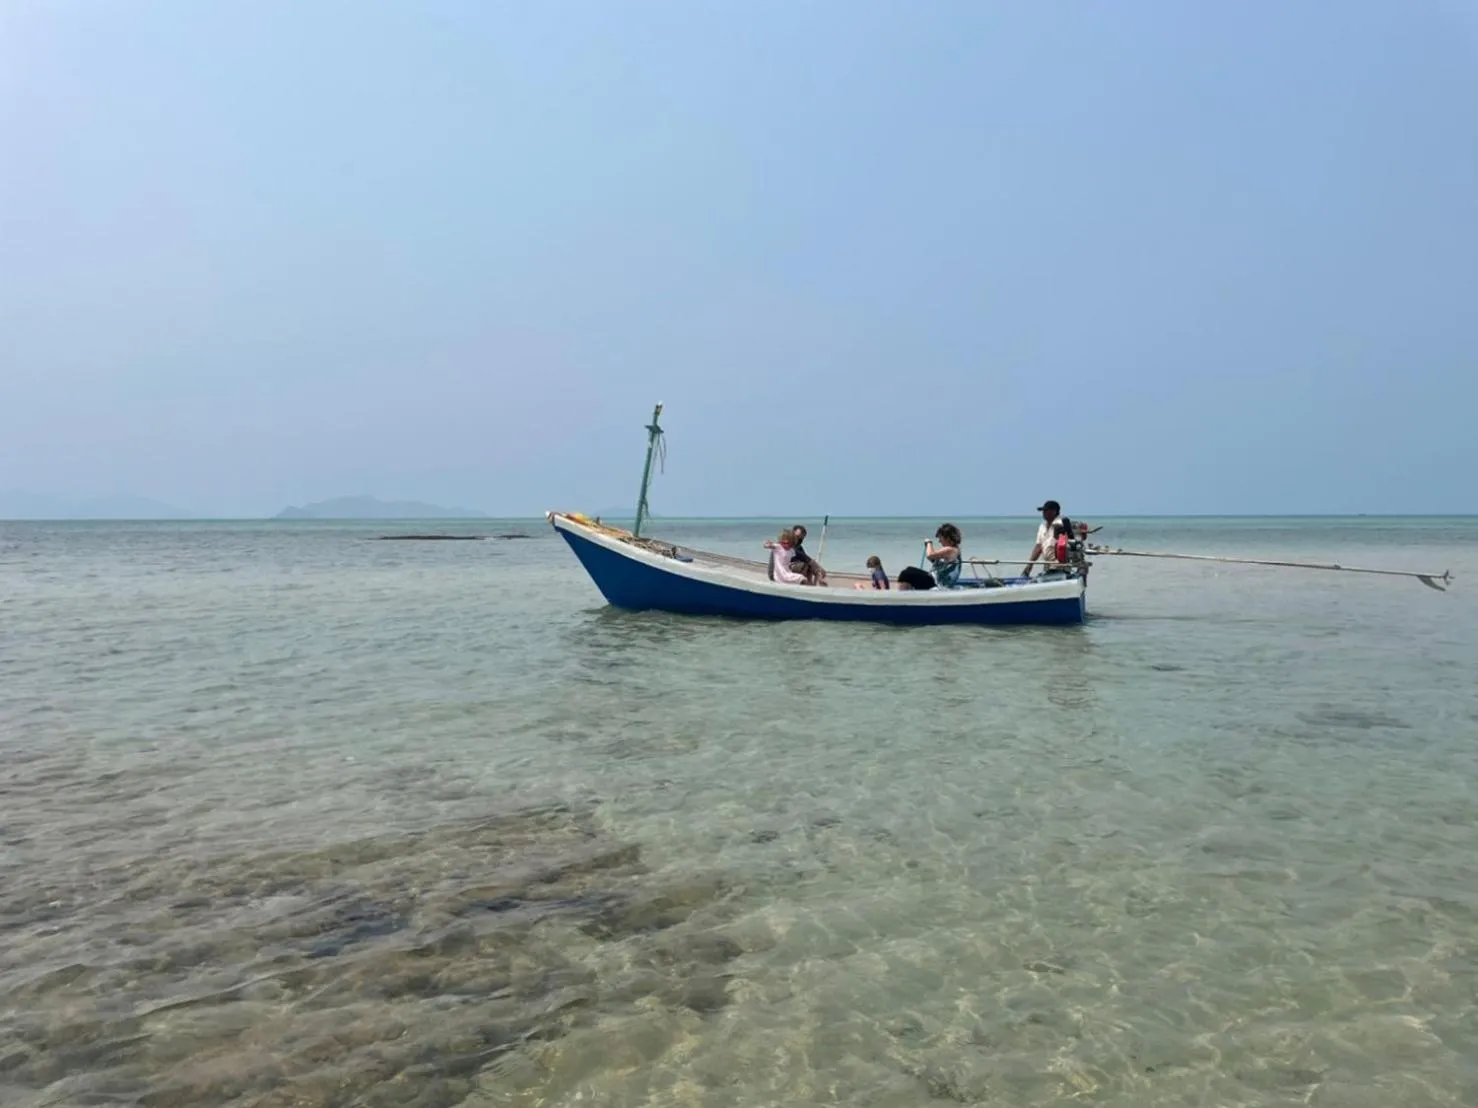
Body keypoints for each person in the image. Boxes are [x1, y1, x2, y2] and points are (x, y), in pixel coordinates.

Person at [1022, 500, 1080, 577]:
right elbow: (1038, 547)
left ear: (1054, 511)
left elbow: (1067, 539)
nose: (1043, 513)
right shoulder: (1042, 526)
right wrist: (1029, 565)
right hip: (1047, 565)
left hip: (1060, 566)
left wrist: (1061, 531)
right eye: (1043, 511)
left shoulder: (1061, 523)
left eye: (1046, 510)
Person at [897, 523, 964, 589]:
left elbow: (930, 555)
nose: (939, 541)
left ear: (948, 538)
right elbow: (936, 562)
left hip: (937, 583)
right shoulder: (954, 550)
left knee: (906, 573)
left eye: (941, 538)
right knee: (909, 569)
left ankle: (902, 595)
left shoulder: (950, 550)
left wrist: (929, 543)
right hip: (935, 580)